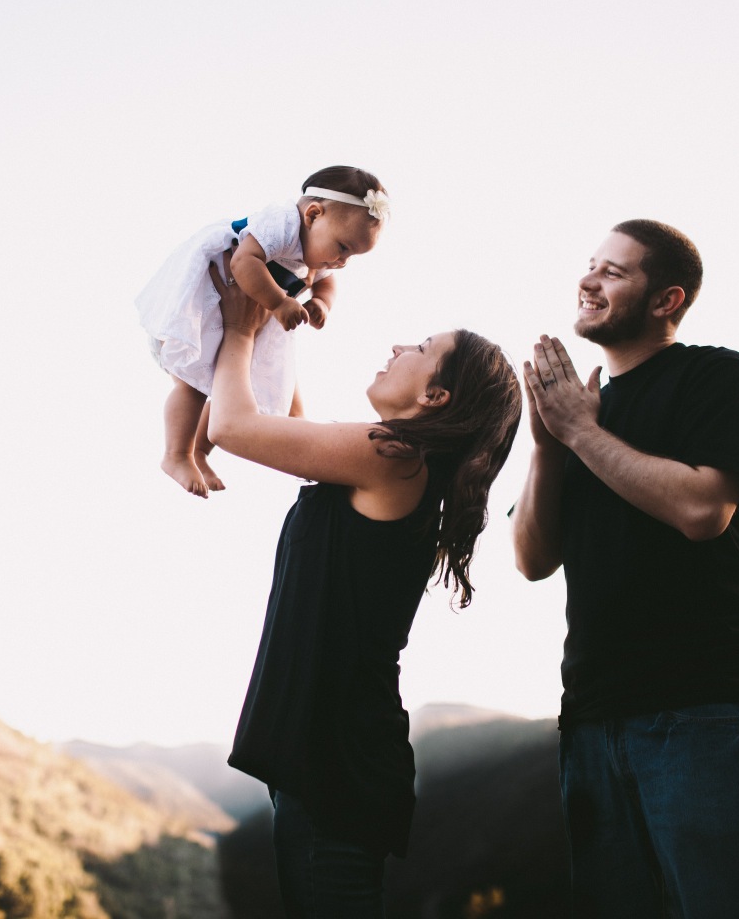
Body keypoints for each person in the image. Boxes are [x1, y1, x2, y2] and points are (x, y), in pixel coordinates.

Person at [511, 219, 739, 917]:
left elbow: (705, 509)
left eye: (614, 271)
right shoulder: (575, 416)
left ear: (666, 299)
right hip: (592, 716)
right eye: (590, 265)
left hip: (706, 707)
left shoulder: (716, 375)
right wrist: (550, 448)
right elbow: (531, 559)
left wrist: (581, 432)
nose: (589, 279)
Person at [207, 259, 522, 918]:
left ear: (437, 397)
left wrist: (239, 331)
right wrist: (277, 327)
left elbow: (231, 427)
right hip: (330, 761)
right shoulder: (393, 460)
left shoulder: (392, 455)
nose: (398, 347)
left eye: (422, 349)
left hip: (337, 768)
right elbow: (288, 427)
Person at [135, 165, 389, 497]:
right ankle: (177, 455)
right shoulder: (282, 223)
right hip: (203, 308)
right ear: (313, 215)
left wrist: (322, 304)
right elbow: (244, 262)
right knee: (192, 386)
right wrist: (280, 303)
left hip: (242, 320)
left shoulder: (319, 255)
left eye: (352, 255)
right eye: (343, 248)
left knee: (245, 391)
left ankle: (200, 451)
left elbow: (328, 284)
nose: (342, 261)